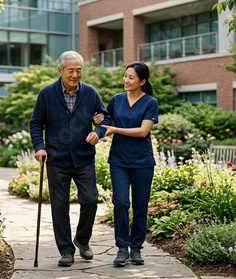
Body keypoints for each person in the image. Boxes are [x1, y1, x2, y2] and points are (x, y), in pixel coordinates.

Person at [29, 50, 111, 267]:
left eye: (79, 70)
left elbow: (105, 117)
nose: (75, 74)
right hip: (56, 159)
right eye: (71, 70)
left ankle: (82, 240)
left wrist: (99, 130)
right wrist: (39, 147)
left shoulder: (91, 93)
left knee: (90, 200)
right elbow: (36, 123)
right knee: (59, 206)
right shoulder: (46, 93)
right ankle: (66, 250)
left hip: (84, 158)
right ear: (60, 70)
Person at [95, 61, 158, 267]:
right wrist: (99, 121)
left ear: (142, 81)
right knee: (120, 202)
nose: (126, 80)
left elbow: (142, 131)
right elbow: (108, 123)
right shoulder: (116, 100)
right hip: (119, 161)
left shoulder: (150, 102)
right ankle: (122, 248)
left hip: (142, 162)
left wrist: (116, 130)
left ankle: (136, 248)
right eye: (125, 76)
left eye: (131, 77)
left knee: (140, 206)